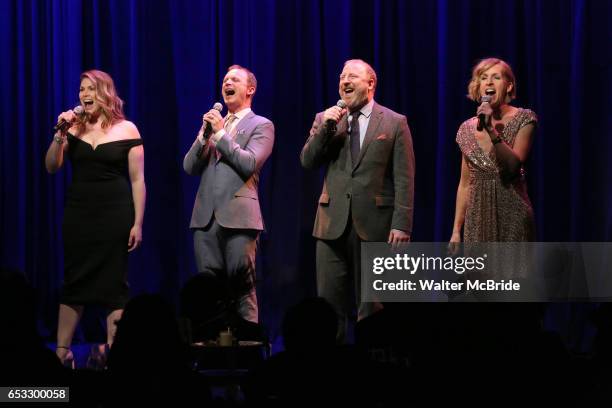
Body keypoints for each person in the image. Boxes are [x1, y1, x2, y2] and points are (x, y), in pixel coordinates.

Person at [300, 59, 415, 341]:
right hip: (330, 225)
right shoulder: (326, 119)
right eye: (341, 77)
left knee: (373, 307)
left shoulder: (394, 122)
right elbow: (307, 160)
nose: (344, 81)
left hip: (376, 224)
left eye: (352, 76)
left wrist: (402, 224)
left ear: (370, 84)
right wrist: (327, 127)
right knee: (329, 308)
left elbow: (404, 177)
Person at [45, 69, 145, 367]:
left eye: (91, 89)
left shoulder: (127, 129)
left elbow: (138, 180)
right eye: (81, 89)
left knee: (114, 284)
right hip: (79, 214)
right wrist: (59, 134)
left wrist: (137, 223)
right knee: (74, 281)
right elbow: (52, 166)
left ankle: (113, 353)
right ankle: (62, 352)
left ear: (106, 93)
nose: (84, 94)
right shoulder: (72, 129)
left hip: (115, 214)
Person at [183, 65, 274, 324]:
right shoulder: (213, 127)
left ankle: (248, 352)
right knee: (208, 292)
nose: (227, 83)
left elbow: (248, 163)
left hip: (239, 219)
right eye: (224, 80)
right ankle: (211, 350)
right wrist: (203, 138)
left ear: (250, 89)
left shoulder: (262, 125)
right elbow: (189, 167)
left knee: (242, 291)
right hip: (205, 220)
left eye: (234, 79)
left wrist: (221, 134)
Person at [450, 58, 537, 244]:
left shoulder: (525, 118)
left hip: (512, 213)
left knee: (513, 273)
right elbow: (465, 184)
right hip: (477, 218)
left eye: (496, 77)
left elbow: (513, 166)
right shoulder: (466, 129)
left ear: (508, 86)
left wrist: (491, 130)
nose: (489, 82)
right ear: (478, 87)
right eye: (483, 78)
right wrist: (456, 230)